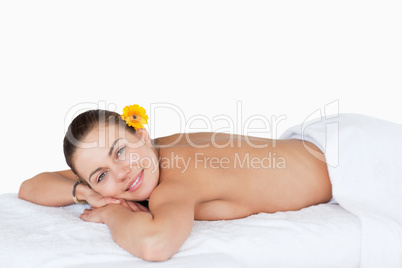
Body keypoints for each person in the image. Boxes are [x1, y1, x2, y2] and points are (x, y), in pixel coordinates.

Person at [18, 104, 333, 262]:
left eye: (120, 151)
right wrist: (85, 192)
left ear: (140, 135)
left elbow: (155, 244)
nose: (121, 173)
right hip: (316, 144)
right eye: (101, 175)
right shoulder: (148, 152)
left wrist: (110, 213)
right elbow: (30, 186)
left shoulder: (174, 184)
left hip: (343, 163)